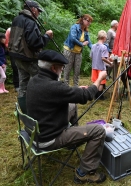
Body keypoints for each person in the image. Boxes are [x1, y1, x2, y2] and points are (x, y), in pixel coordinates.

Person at [26, 49, 107, 184]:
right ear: (53, 68)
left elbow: (59, 93)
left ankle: (72, 142)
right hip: (49, 139)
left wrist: (74, 91)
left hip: (36, 133)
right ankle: (85, 172)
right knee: (99, 131)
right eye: (61, 68)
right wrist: (99, 79)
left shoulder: (34, 80)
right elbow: (86, 96)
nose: (62, 70)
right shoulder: (54, 87)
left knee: (72, 105)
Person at [8, 0, 53, 101]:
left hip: (17, 56)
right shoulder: (30, 22)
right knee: (41, 79)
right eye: (38, 11)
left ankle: (23, 107)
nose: (39, 13)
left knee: (23, 83)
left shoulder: (17, 19)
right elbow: (34, 44)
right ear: (33, 9)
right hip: (28, 58)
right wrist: (46, 36)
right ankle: (39, 103)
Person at [63, 14, 93, 86]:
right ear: (83, 20)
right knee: (67, 70)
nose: (89, 23)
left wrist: (95, 48)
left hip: (78, 53)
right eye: (88, 21)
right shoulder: (74, 27)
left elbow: (89, 43)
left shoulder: (85, 31)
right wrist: (82, 44)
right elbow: (73, 38)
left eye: (90, 22)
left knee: (77, 71)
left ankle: (76, 88)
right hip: (69, 51)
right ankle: (65, 87)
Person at [90, 30, 112, 100]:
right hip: (101, 68)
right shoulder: (104, 47)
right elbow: (103, 58)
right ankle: (100, 96)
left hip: (94, 66)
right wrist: (109, 63)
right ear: (104, 38)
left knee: (95, 80)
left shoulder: (93, 46)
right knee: (101, 82)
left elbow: (91, 56)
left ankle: (95, 94)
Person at [5, 27, 19, 92]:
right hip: (13, 51)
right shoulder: (9, 30)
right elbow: (6, 42)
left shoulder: (25, 29)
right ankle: (17, 85)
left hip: (23, 52)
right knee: (15, 67)